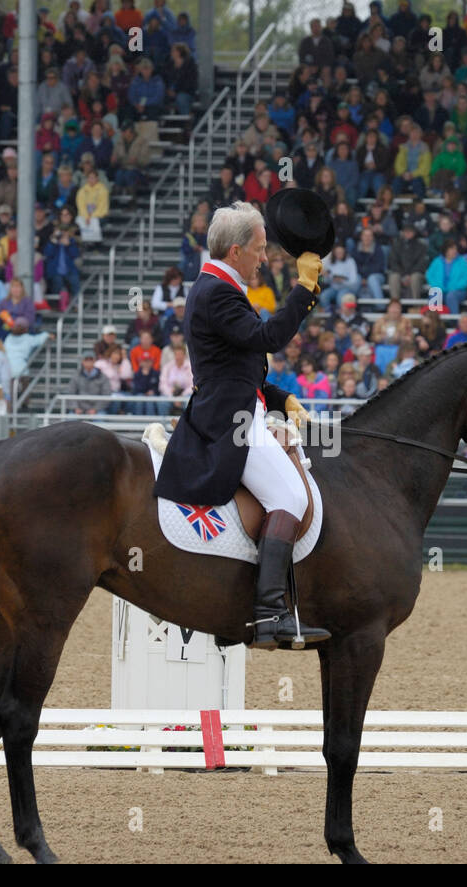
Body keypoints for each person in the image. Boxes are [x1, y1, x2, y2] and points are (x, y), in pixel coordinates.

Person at [152, 200, 327, 649]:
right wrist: (305, 288)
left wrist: (277, 396)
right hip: (231, 421)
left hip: (236, 405)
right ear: (235, 251)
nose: (264, 258)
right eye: (260, 249)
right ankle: (268, 613)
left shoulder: (217, 285)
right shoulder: (218, 292)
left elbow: (234, 365)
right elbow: (266, 339)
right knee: (289, 494)